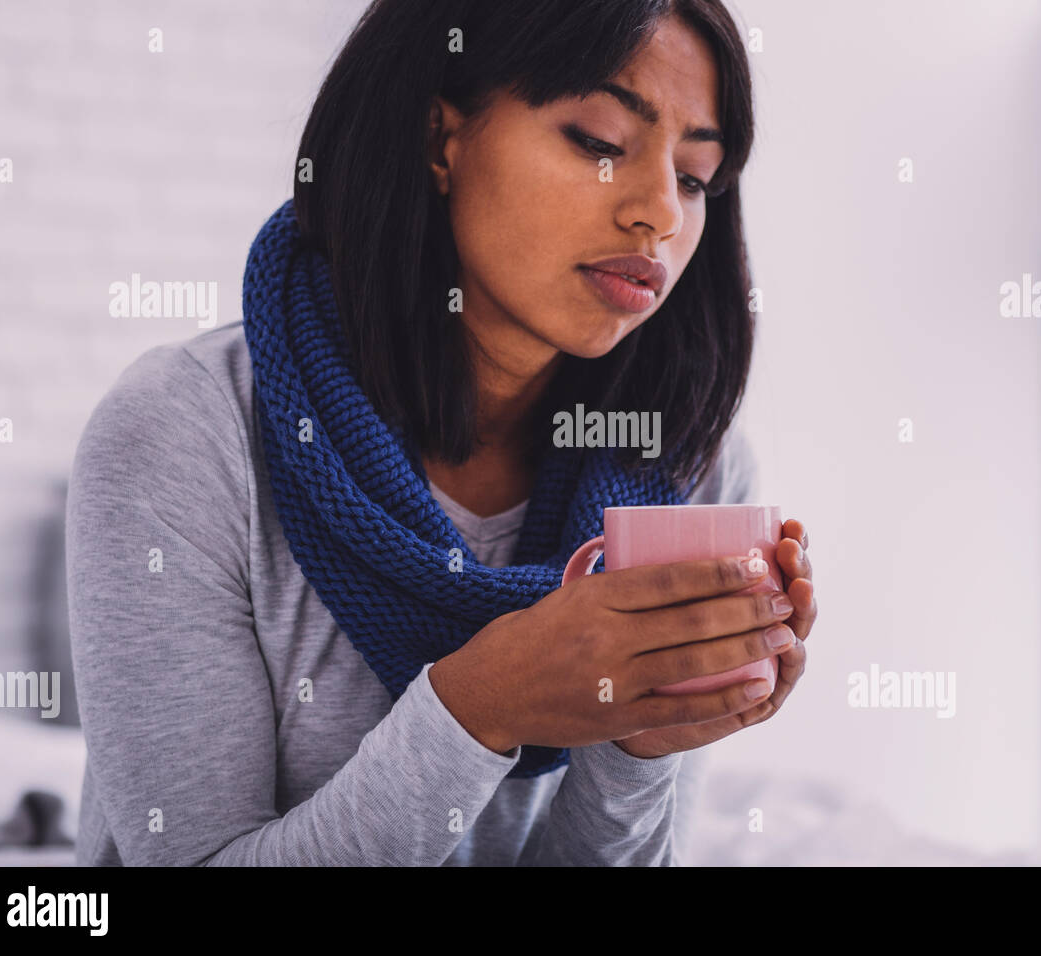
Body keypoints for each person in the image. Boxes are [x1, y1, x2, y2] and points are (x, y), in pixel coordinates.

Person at [66, 0, 816, 866]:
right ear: (440, 138)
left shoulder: (693, 466)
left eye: (694, 176)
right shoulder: (180, 432)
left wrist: (642, 734)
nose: (660, 213)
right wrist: (483, 705)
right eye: (601, 142)